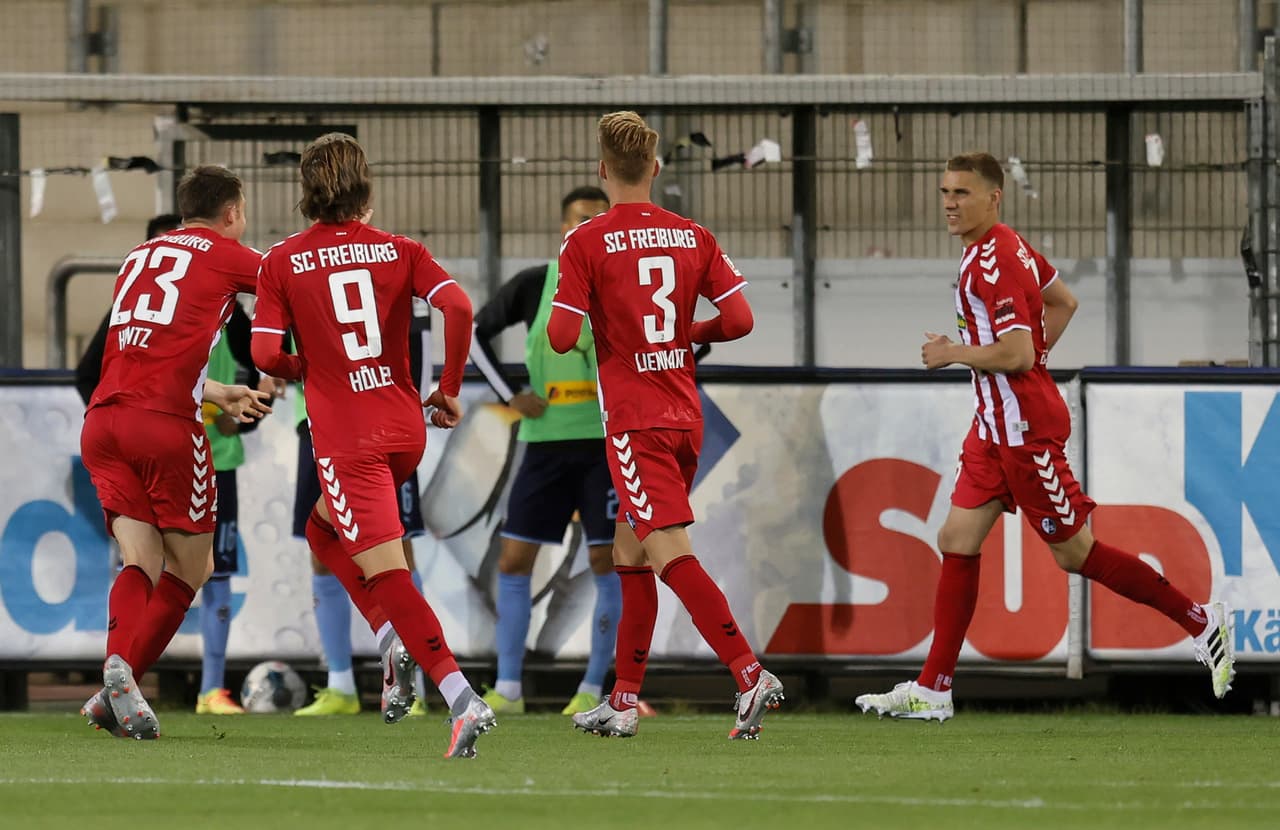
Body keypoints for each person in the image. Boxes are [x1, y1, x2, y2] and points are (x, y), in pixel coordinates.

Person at [855, 152, 1235, 722]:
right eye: (944, 192)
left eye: (961, 193)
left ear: (993, 198)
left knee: (1074, 553)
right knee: (956, 538)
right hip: (992, 426)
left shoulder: (996, 261)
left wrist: (954, 353)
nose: (949, 204)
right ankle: (933, 689)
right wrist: (1023, 363)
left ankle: (1201, 620)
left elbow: (1018, 352)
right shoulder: (1000, 247)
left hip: (1024, 432)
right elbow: (1064, 302)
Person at [251, 132, 496, 758]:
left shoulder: (282, 261)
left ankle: (461, 697)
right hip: (403, 426)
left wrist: (303, 365)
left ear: (305, 194)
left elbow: (262, 354)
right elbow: (460, 307)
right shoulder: (402, 250)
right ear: (368, 188)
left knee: (387, 573)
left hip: (347, 436)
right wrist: (446, 387)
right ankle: (390, 638)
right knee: (323, 530)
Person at [547, 111, 784, 740]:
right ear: (654, 168)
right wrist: (686, 334)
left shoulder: (586, 240)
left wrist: (599, 321)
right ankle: (623, 701)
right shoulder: (692, 235)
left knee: (668, 551)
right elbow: (739, 321)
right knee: (630, 551)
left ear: (602, 170)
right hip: (684, 417)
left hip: (635, 420)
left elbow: (561, 334)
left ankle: (749, 673)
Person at [79, 166, 272, 740]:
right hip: (162, 427)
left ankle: (115, 676)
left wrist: (217, 389)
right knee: (195, 568)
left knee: (138, 557)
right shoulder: (225, 252)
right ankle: (127, 673)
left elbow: (145, 356)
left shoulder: (139, 257)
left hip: (105, 421)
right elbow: (290, 284)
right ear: (232, 213)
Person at [470, 185, 626, 717]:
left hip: (604, 445)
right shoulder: (537, 284)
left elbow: (687, 340)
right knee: (514, 562)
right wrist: (508, 394)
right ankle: (508, 689)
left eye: (599, 220)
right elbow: (473, 333)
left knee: (609, 561)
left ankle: (592, 688)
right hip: (544, 444)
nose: (589, 228)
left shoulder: (623, 285)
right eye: (581, 220)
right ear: (563, 227)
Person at [293, 312, 435, 718]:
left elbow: (419, 335)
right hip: (319, 425)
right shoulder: (297, 262)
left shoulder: (388, 258)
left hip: (381, 427)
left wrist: (415, 407)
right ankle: (340, 684)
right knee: (321, 548)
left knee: (399, 551)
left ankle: (418, 685)